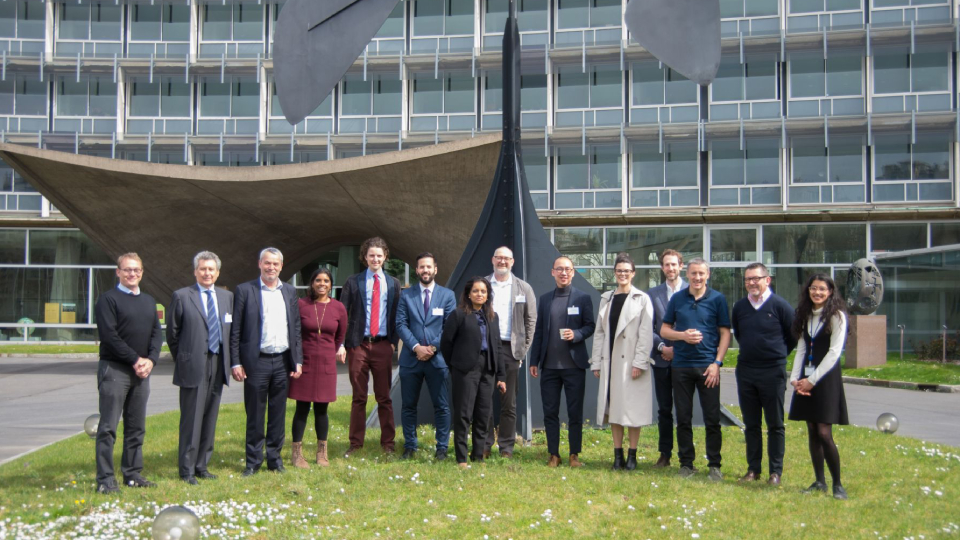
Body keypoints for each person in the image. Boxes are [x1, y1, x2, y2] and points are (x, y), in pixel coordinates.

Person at [230, 247, 303, 476]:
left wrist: (297, 360)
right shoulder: (245, 290)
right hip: (256, 362)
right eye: (267, 263)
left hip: (282, 361)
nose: (271, 267)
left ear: (281, 266)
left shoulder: (290, 292)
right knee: (255, 414)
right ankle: (253, 462)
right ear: (259, 264)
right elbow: (236, 330)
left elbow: (296, 329)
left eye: (275, 264)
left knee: (278, 413)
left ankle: (275, 459)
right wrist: (235, 362)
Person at [93, 252, 163, 494]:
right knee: (108, 428)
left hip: (142, 372)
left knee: (136, 427)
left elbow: (157, 333)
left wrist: (151, 361)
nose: (132, 273)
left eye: (136, 270)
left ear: (142, 272)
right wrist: (135, 359)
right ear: (118, 272)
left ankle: (132, 474)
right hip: (115, 370)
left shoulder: (148, 301)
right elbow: (109, 337)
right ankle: (105, 480)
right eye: (127, 270)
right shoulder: (107, 300)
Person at [659, 258, 731, 481]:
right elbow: (664, 330)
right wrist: (683, 336)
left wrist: (717, 363)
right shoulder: (677, 299)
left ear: (707, 275)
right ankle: (686, 464)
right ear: (687, 274)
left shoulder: (718, 299)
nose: (697, 278)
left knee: (712, 418)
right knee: (683, 417)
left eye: (701, 273)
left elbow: (725, 333)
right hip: (681, 366)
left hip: (708, 367)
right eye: (693, 274)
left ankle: (715, 465)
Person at [166, 251, 234, 485]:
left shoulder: (227, 297)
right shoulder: (182, 296)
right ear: (195, 271)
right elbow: (172, 334)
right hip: (193, 364)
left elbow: (230, 331)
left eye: (211, 269)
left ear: (218, 272)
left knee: (210, 416)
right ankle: (186, 469)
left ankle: (202, 465)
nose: (207, 273)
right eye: (203, 269)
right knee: (191, 418)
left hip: (218, 362)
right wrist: (184, 358)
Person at [731, 262, 796, 487]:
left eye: (756, 278)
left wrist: (776, 355)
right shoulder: (739, 307)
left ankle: (775, 472)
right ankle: (753, 470)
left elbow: (793, 336)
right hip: (747, 370)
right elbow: (739, 335)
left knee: (775, 423)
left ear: (767, 280)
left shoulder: (780, 305)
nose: (751, 283)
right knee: (751, 424)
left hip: (773, 371)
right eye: (748, 279)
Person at [529, 256, 596, 468]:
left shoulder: (583, 298)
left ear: (573, 272)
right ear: (553, 272)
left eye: (567, 269)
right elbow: (539, 331)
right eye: (559, 269)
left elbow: (590, 326)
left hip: (574, 366)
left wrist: (575, 334)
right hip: (549, 366)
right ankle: (553, 454)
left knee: (575, 412)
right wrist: (534, 360)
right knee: (550, 412)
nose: (563, 273)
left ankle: (574, 455)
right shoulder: (545, 299)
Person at [590, 253, 654, 471]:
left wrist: (640, 362)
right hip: (610, 361)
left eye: (627, 271)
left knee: (633, 411)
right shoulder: (606, 297)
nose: (623, 274)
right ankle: (617, 455)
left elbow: (646, 333)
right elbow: (599, 333)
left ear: (633, 274)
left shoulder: (642, 298)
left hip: (631, 363)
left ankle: (632, 455)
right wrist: (597, 362)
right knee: (614, 409)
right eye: (619, 270)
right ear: (614, 272)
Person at [788, 273, 850, 500]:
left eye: (822, 289)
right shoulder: (804, 314)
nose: (817, 293)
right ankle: (819, 481)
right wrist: (795, 379)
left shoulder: (837, 316)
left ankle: (838, 485)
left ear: (830, 292)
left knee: (824, 432)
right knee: (812, 431)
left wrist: (812, 381)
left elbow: (835, 353)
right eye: (813, 288)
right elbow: (802, 348)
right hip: (805, 378)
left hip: (825, 380)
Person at [340, 237, 401, 455]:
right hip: (358, 345)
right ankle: (355, 444)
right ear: (365, 257)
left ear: (385, 257)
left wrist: (393, 342)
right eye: (371, 255)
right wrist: (343, 344)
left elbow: (396, 315)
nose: (375, 259)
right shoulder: (352, 282)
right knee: (359, 397)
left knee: (384, 397)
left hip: (383, 344)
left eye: (379, 255)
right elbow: (342, 313)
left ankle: (388, 444)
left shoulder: (393, 283)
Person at [440, 277, 506, 468]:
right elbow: (446, 343)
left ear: (488, 295)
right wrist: (455, 366)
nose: (479, 294)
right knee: (463, 414)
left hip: (488, 369)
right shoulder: (458, 315)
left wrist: (500, 376)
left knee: (484, 414)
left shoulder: (493, 317)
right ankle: (461, 458)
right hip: (466, 370)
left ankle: (478, 455)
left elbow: (498, 347)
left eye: (483, 291)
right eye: (476, 291)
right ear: (468, 294)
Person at [396, 252, 457, 461]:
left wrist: (431, 348)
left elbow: (449, 326)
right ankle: (410, 446)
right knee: (408, 405)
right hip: (410, 360)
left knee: (441, 406)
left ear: (435, 270)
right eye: (421, 267)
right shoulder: (406, 295)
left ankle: (442, 448)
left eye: (429, 267)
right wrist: (415, 347)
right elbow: (401, 324)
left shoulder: (447, 295)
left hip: (437, 359)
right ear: (416, 270)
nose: (425, 270)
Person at [288, 268, 347, 468]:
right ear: (312, 283)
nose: (322, 284)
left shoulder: (339, 307)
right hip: (304, 363)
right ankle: (296, 453)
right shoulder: (302, 305)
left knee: (322, 409)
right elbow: (294, 334)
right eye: (318, 280)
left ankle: (322, 453)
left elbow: (340, 337)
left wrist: (334, 349)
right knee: (302, 409)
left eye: (326, 281)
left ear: (331, 285)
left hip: (326, 365)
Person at [482, 246, 537, 459]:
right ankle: (485, 444)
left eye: (506, 259)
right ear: (492, 260)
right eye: (499, 258)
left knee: (509, 402)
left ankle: (506, 446)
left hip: (511, 350)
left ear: (512, 262)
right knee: (484, 399)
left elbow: (531, 320)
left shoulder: (524, 288)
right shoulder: (483, 285)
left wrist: (522, 350)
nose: (502, 261)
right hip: (487, 349)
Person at [647, 248, 687, 469]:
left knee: (684, 409)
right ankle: (665, 454)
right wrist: (662, 346)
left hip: (685, 361)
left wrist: (678, 350)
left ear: (681, 266)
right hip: (662, 359)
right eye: (666, 265)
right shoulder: (653, 295)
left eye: (674, 264)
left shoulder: (692, 291)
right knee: (664, 410)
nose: (670, 268)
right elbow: (649, 327)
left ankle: (685, 456)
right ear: (662, 268)